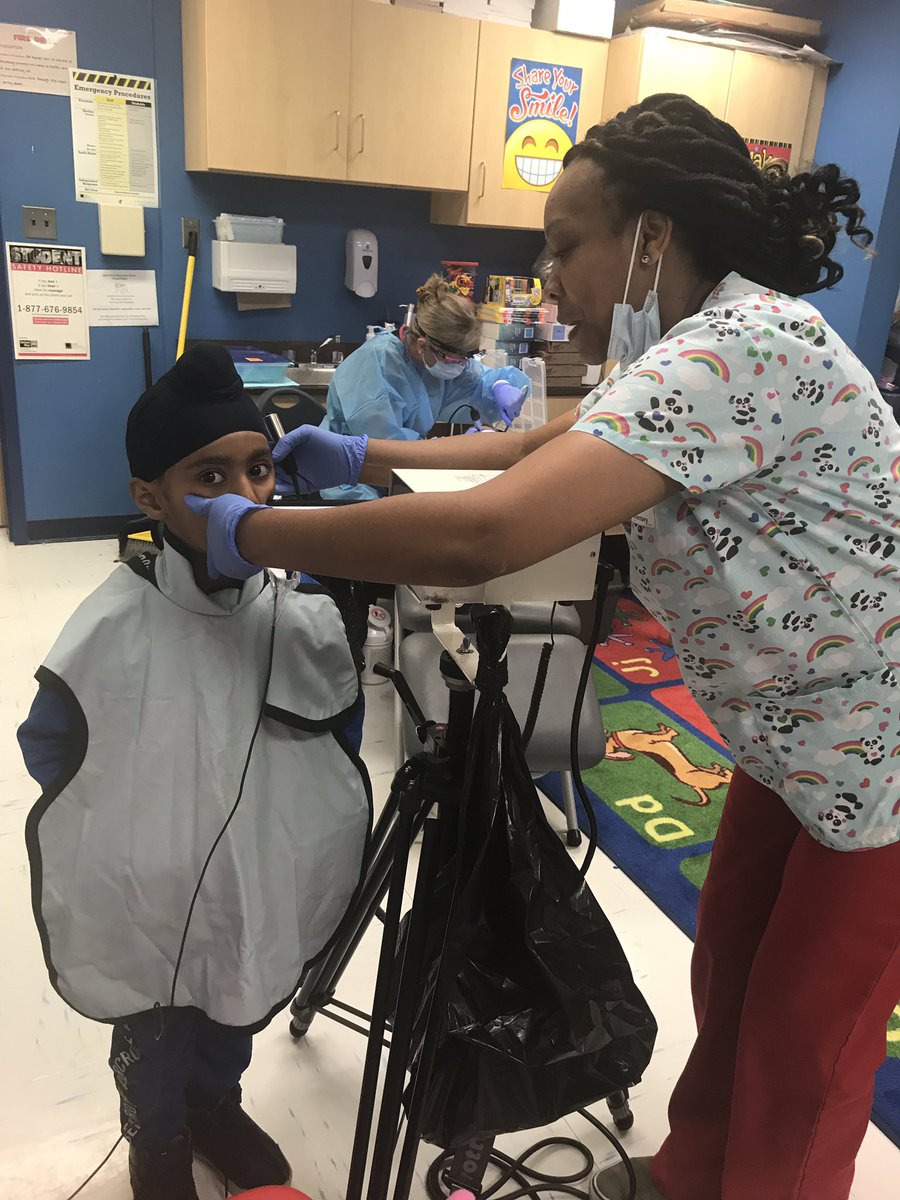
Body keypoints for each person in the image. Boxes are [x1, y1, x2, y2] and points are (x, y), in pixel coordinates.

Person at [188, 95, 900, 1200]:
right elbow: (536, 448)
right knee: (733, 971)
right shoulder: (672, 352)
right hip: (790, 734)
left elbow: (491, 533)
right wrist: (362, 449)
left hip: (880, 751)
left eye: (567, 245)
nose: (549, 274)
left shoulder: (743, 348)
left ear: (651, 235)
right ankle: (696, 1174)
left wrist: (251, 532)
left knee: (809, 1034)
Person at [18, 344, 371, 1200]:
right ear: (150, 497)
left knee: (237, 989)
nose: (246, 497)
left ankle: (215, 1106)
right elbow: (50, 746)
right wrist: (135, 816)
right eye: (208, 478)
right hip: (149, 884)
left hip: (255, 867)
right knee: (159, 1024)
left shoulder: (299, 615)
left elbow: (337, 739)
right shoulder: (111, 627)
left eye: (258, 470)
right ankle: (161, 1142)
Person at [317, 273, 531, 501]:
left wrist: (501, 385)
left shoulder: (439, 362)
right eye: (454, 360)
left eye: (468, 358)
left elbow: (479, 381)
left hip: (401, 476)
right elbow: (386, 449)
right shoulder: (376, 365)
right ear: (422, 345)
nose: (462, 366)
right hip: (351, 482)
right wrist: (459, 448)